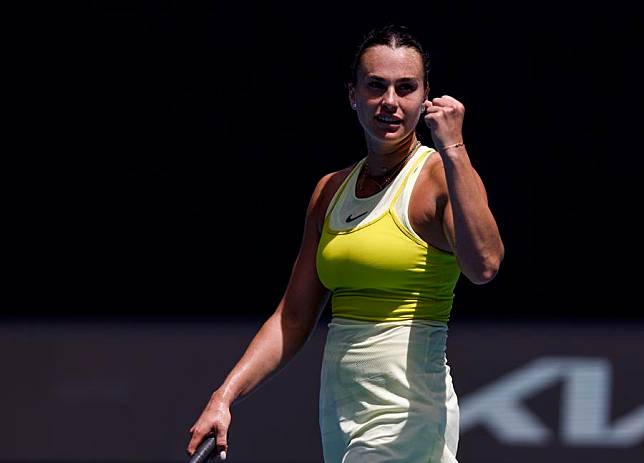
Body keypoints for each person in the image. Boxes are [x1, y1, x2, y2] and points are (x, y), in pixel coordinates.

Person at [187, 24, 504, 462]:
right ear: (353, 94)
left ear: (425, 96)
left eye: (405, 88)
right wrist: (224, 395)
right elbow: (293, 318)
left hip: (407, 413)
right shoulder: (330, 191)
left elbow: (484, 265)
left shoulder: (437, 178)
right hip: (340, 410)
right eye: (376, 86)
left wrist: (454, 149)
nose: (390, 102)